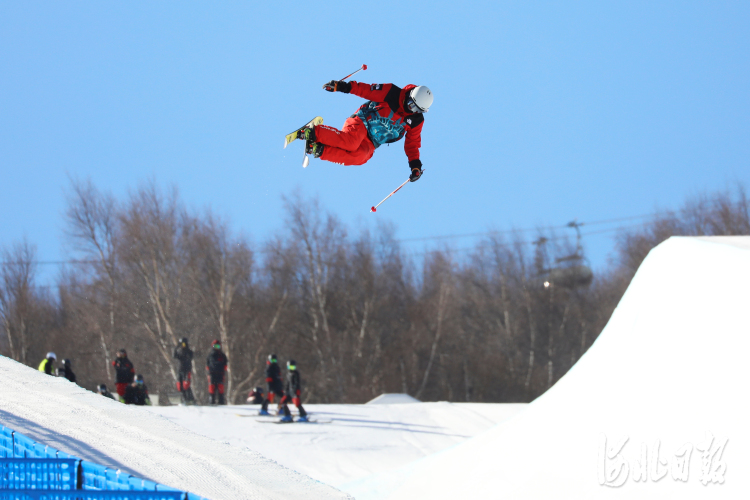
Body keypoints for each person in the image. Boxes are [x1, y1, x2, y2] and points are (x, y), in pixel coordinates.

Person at [298, 80, 433, 182]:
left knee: (361, 156)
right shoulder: (392, 93)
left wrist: (415, 166)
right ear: (410, 95)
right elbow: (366, 90)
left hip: (372, 142)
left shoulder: (416, 121)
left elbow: (412, 144)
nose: (411, 110)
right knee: (351, 143)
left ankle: (319, 150)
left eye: (416, 110)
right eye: (410, 104)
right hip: (363, 122)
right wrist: (342, 86)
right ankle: (314, 132)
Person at [173, 337, 195, 404]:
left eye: (184, 344)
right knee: (180, 386)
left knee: (186, 385)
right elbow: (174, 356)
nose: (183, 346)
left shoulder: (189, 352)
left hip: (187, 370)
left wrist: (186, 350)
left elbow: (190, 357)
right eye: (182, 344)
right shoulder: (179, 352)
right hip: (180, 370)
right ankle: (184, 399)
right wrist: (177, 347)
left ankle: (190, 399)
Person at [205, 339, 228, 405]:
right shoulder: (210, 355)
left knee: (220, 388)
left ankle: (221, 401)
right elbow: (207, 365)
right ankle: (212, 401)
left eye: (218, 346)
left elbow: (225, 365)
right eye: (215, 346)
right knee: (212, 388)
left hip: (220, 374)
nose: (216, 348)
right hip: (212, 374)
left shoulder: (222, 355)